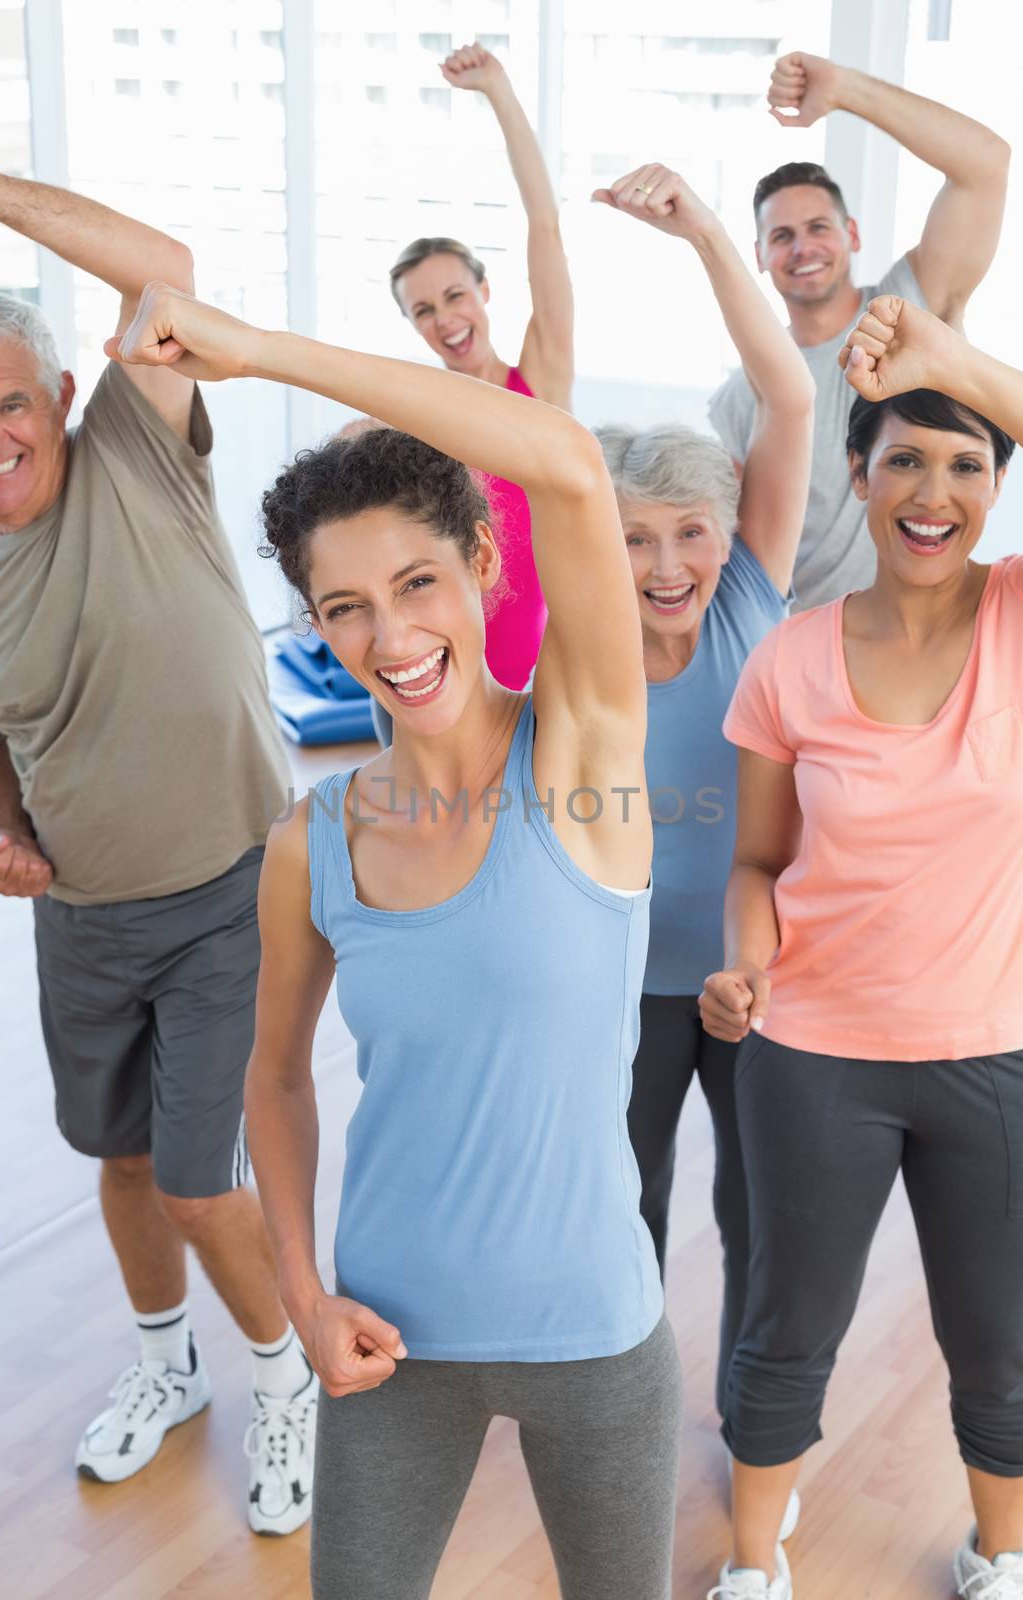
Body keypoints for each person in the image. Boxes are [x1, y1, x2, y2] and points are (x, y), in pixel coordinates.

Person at [108, 276, 683, 1599]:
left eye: (416, 581)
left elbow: (566, 464)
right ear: (315, 626)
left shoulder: (580, 757)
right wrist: (301, 1295)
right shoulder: (315, 839)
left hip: (592, 1340)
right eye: (345, 606)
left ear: (481, 567)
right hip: (382, 1343)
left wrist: (260, 353)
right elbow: (273, 1077)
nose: (390, 634)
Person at [0, 165, 315, 1533]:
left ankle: (283, 1379)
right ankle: (169, 1367)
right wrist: (0, 829)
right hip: (84, 915)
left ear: (55, 400)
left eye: (8, 401)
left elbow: (160, 258)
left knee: (191, 1175)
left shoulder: (132, 445)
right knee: (115, 1162)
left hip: (230, 886)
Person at [700, 292, 1023, 1600]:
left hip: (989, 1055)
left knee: (994, 1343)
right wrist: (739, 964)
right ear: (855, 474)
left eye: (964, 463)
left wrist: (947, 363)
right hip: (809, 1054)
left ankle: (999, 1555)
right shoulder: (787, 658)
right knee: (786, 1333)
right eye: (901, 458)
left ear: (995, 484)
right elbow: (755, 865)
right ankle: (749, 1565)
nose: (930, 491)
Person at [591, 162, 812, 1548]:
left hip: (753, 978)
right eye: (631, 541)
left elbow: (786, 397)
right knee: (622, 1204)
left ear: (729, 532)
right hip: (617, 985)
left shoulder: (748, 593)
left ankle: (750, 1417)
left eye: (687, 531)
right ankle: (613, 1397)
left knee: (755, 1209)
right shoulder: (579, 635)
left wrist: (698, 239)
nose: (665, 563)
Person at [709, 49, 1010, 610]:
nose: (802, 248)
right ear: (759, 255)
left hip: (935, 632)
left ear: (851, 233)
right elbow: (740, 552)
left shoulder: (911, 311)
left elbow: (986, 165)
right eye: (782, 236)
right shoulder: (742, 395)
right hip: (814, 652)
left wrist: (845, 89)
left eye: (818, 227)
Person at [386, 40, 574, 705]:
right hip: (437, 674)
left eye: (455, 295)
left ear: (484, 292)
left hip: (535, 675)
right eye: (423, 310)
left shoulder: (540, 383)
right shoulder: (415, 416)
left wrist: (499, 93)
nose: (445, 319)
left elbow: (545, 228)